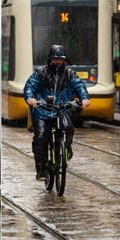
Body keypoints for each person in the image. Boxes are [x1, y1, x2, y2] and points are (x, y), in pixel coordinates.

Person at [24, 45, 91, 180]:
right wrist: (30, 98)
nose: (58, 62)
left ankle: (66, 146)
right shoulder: (40, 72)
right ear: (50, 59)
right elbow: (30, 86)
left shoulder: (69, 73)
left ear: (64, 60)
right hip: (42, 110)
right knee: (41, 137)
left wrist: (84, 98)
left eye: (60, 59)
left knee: (69, 128)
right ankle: (41, 170)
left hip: (61, 109)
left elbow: (79, 85)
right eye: (55, 59)